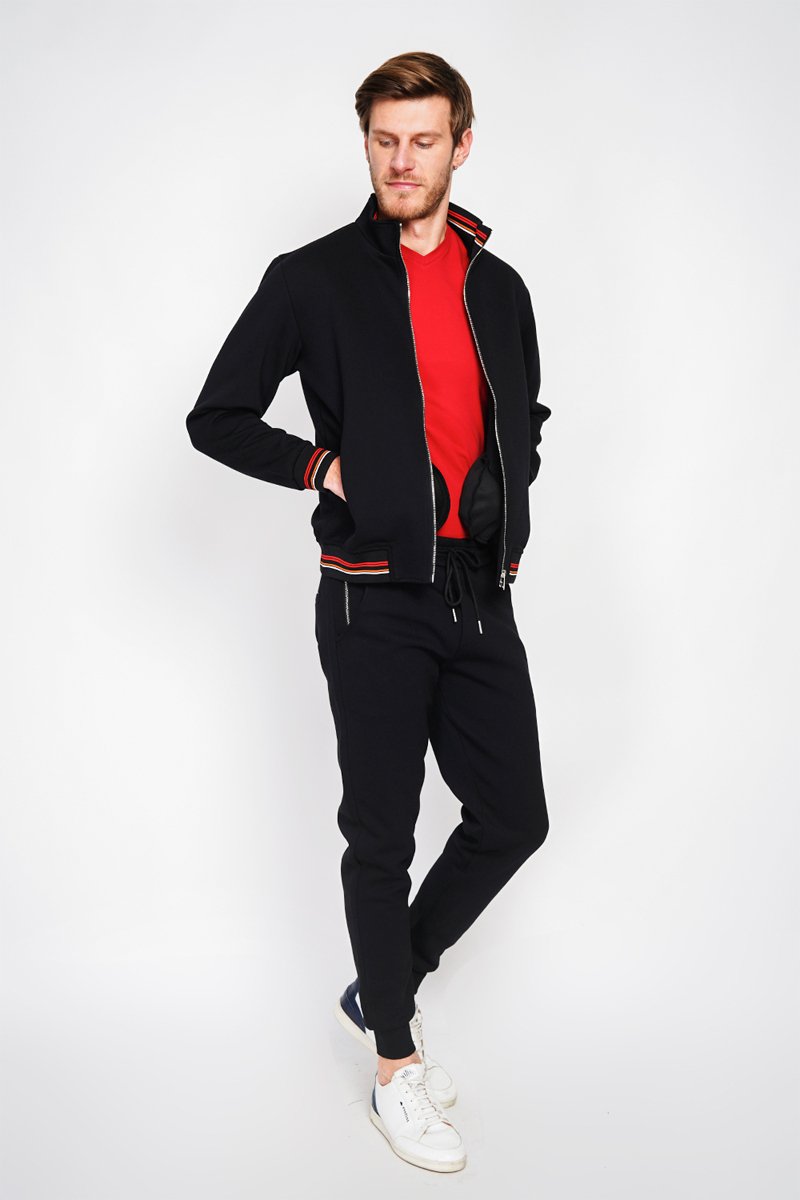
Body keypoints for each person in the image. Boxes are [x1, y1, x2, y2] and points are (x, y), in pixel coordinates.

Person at [186, 50, 551, 1173]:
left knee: (514, 817)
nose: (403, 160)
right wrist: (326, 469)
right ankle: (395, 1064)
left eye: (423, 140)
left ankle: (379, 985)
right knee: (381, 835)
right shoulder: (313, 278)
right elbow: (217, 415)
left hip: (477, 591)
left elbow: (524, 412)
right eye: (385, 141)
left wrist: (505, 495)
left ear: (461, 144)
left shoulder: (498, 285)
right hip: (369, 597)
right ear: (367, 145)